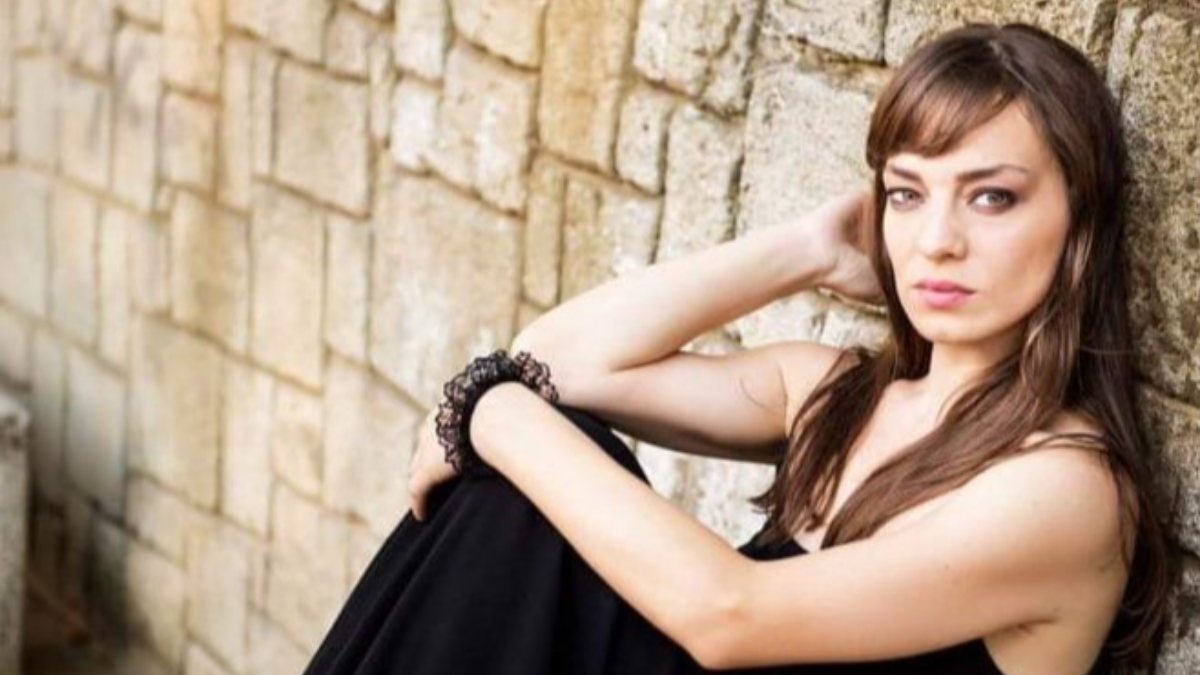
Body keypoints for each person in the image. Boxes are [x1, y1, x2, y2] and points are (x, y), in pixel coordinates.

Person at [303, 21, 1176, 675]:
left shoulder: (1067, 489)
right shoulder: (835, 398)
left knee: (531, 464)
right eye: (907, 194)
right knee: (524, 491)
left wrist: (488, 411)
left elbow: (730, 616)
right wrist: (807, 249)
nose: (937, 241)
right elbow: (558, 364)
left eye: (991, 198)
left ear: (1079, 221)